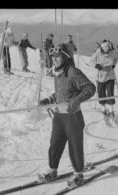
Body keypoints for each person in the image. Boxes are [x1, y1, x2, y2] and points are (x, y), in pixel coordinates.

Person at [38, 43, 96, 187]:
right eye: (53, 57)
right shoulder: (57, 73)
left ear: (65, 57)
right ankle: (53, 170)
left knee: (74, 146)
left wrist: (75, 101)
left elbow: (90, 88)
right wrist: (50, 99)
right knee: (55, 144)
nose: (54, 60)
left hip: (72, 117)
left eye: (58, 57)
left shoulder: (72, 72)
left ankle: (78, 174)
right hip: (59, 117)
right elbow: (61, 93)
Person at [90, 40, 118, 119]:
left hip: (110, 75)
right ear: (102, 48)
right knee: (101, 93)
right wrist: (97, 65)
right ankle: (104, 109)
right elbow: (91, 61)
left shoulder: (113, 52)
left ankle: (111, 110)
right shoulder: (98, 52)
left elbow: (116, 58)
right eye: (105, 50)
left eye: (108, 50)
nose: (106, 51)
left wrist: (113, 65)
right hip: (101, 76)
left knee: (110, 93)